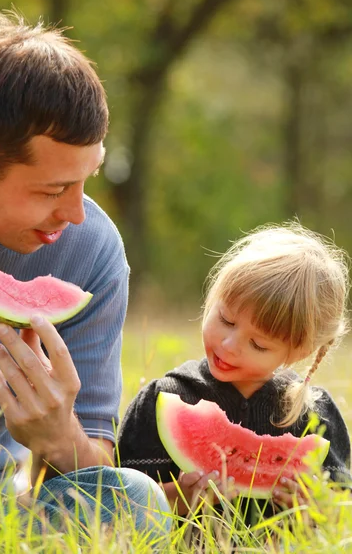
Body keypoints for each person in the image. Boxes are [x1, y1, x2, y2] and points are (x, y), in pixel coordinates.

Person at [0, 11, 170, 535]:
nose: (75, 214)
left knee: (137, 501)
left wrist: (56, 435)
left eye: (84, 182)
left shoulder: (92, 250)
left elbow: (92, 460)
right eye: (51, 191)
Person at [117, 223, 352, 522]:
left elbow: (341, 511)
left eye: (257, 344)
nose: (228, 345)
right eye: (226, 320)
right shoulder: (163, 399)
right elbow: (120, 503)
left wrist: (319, 511)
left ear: (299, 352)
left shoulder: (317, 417)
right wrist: (172, 500)